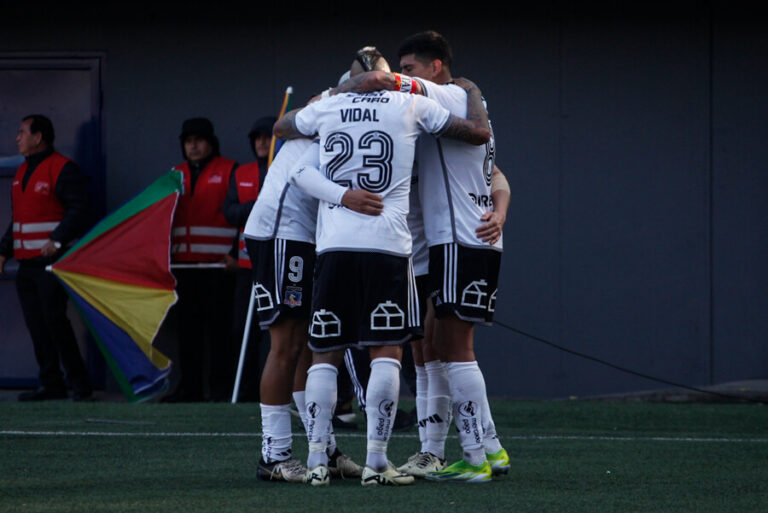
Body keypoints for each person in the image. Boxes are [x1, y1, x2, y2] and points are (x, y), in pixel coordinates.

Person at [273, 50, 490, 487]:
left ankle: (317, 459)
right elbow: (476, 133)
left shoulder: (329, 104)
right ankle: (376, 461)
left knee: (324, 355)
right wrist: (470, 89)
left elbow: (282, 131)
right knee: (386, 352)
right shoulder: (410, 102)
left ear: (352, 80)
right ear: (391, 77)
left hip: (334, 243)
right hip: (388, 245)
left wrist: (339, 193)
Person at [242, 109, 383, 482]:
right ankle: (274, 456)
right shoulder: (338, 115)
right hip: (281, 232)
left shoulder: (342, 113)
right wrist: (347, 197)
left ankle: (326, 448)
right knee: (286, 343)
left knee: (307, 343)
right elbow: (300, 174)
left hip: (301, 235)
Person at [396, 30, 511, 483]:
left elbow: (383, 85)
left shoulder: (447, 93)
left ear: (435, 68)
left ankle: (475, 456)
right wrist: (500, 211)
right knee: (438, 346)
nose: (405, 78)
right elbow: (497, 174)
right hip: (465, 240)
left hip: (458, 241)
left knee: (452, 349)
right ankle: (491, 450)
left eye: (410, 69)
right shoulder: (460, 100)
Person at [0, 114, 93, 401]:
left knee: (55, 321)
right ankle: (51, 383)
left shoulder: (62, 169)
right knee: (37, 326)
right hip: (26, 265)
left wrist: (58, 240)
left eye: (22, 132)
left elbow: (79, 210)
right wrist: (4, 252)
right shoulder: (21, 173)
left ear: (38, 137)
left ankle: (80, 385)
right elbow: (18, 221)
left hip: (51, 264)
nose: (17, 138)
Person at [165, 117, 238, 402]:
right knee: (188, 333)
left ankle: (220, 390)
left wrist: (234, 254)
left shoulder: (231, 170)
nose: (192, 145)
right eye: (187, 140)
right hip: (183, 268)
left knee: (220, 332)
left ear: (210, 143)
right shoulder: (175, 174)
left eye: (198, 139)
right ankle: (190, 389)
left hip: (219, 268)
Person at [222, 116, 276, 402]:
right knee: (242, 328)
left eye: (266, 137)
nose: (261, 142)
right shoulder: (241, 172)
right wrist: (255, 207)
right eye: (257, 138)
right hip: (245, 266)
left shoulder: (282, 168)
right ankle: (245, 391)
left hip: (277, 264)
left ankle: (276, 391)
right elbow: (229, 212)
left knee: (278, 331)